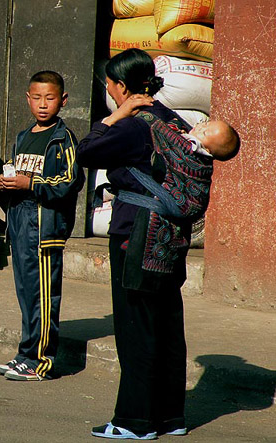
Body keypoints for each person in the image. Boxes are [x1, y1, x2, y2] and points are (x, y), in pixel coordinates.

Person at [76, 48, 204, 439]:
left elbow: (83, 152)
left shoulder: (131, 125)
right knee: (167, 320)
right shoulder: (173, 119)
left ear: (120, 86)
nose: (109, 92)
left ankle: (134, 421)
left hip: (136, 232)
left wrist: (112, 118)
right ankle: (171, 417)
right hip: (172, 233)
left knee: (136, 325)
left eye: (110, 85)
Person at [0, 71, 85, 381]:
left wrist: (29, 183)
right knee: (26, 295)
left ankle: (40, 362)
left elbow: (69, 182)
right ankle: (24, 354)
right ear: (27, 99)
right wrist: (7, 183)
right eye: (37, 98)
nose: (43, 105)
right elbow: (18, 175)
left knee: (43, 298)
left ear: (63, 101)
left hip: (45, 230)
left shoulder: (64, 139)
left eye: (49, 98)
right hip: (21, 226)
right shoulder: (23, 137)